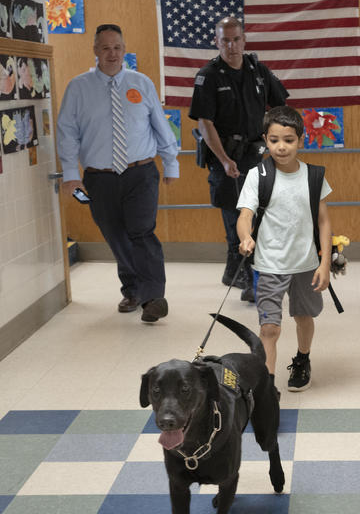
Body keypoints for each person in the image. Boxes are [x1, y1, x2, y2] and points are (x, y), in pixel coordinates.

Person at [57, 23, 178, 323]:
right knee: (116, 235)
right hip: (100, 176)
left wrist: (171, 162)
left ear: (124, 50)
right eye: (106, 47)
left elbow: (160, 126)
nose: (112, 53)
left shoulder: (141, 83)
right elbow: (67, 132)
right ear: (95, 50)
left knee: (142, 231)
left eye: (117, 47)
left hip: (141, 171)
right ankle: (133, 289)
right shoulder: (78, 87)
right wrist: (71, 173)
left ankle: (153, 297)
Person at [188, 16, 289, 301]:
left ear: (244, 41)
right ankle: (245, 278)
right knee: (236, 218)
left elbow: (281, 105)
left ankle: (243, 272)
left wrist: (277, 143)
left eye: (236, 39)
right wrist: (223, 160)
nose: (231, 46)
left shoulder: (258, 71)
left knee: (258, 217)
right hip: (226, 159)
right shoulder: (208, 76)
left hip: (256, 155)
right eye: (225, 40)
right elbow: (204, 123)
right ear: (216, 41)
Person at [236, 106, 332, 392]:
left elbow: (324, 222)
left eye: (288, 140)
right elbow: (244, 215)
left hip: (305, 264)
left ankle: (302, 359)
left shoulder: (314, 177)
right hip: (269, 264)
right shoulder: (258, 175)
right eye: (275, 139)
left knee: (304, 316)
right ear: (266, 139)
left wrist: (325, 263)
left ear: (300, 140)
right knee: (269, 328)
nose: (281, 147)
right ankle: (267, 388)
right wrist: (245, 237)